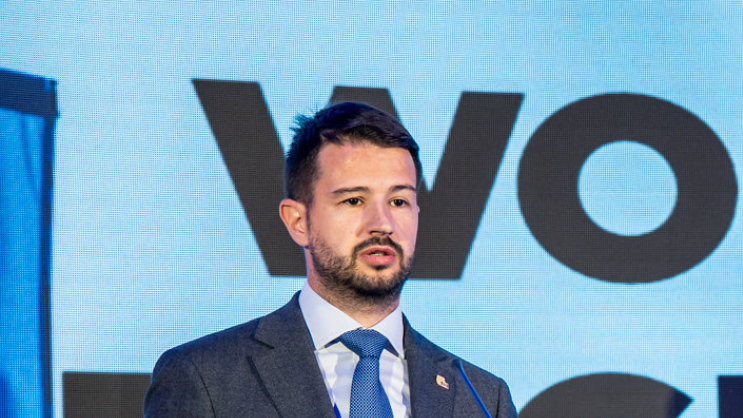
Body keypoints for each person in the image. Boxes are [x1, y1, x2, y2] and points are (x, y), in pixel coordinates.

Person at [144, 102, 517, 417]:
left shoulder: (482, 398)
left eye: (399, 201)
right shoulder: (206, 377)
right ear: (298, 221)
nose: (383, 223)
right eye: (354, 200)